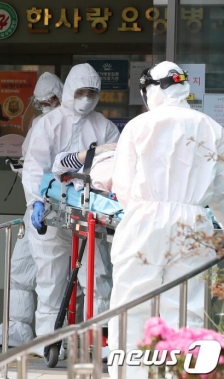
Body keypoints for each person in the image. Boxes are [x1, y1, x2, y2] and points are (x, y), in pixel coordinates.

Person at [107, 61, 224, 379]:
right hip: (193, 223)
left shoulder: (138, 126)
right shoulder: (211, 127)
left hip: (145, 217)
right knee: (187, 306)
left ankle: (130, 374)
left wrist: (142, 211)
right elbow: (221, 191)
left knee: (132, 301)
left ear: (153, 89)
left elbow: (123, 184)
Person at [22, 63, 120, 357]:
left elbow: (114, 165)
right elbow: (34, 168)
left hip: (88, 213)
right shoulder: (48, 124)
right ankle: (48, 341)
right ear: (69, 91)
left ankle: (99, 339)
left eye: (92, 93)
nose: (86, 98)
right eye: (81, 92)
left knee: (98, 276)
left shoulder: (103, 126)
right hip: (51, 212)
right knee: (50, 278)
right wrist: (34, 201)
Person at [0, 72, 63, 347]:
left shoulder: (72, 124)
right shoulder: (38, 124)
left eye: (51, 99)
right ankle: (16, 328)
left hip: (60, 206)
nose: (46, 104)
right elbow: (33, 161)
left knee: (57, 274)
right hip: (34, 206)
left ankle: (59, 334)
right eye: (42, 101)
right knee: (21, 267)